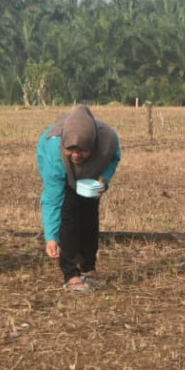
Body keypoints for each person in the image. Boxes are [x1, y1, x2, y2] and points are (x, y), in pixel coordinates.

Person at [36, 105, 121, 291]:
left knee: (90, 215)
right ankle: (70, 272)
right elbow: (52, 198)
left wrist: (104, 178)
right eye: (70, 149)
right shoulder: (54, 150)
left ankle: (88, 267)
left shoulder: (107, 140)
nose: (75, 155)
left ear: (93, 145)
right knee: (69, 214)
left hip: (91, 174)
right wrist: (50, 237)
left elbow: (114, 158)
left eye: (81, 150)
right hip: (59, 169)